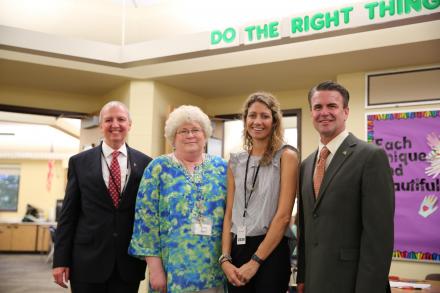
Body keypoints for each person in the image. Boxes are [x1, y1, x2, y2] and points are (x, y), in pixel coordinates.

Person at [297, 81, 395, 293]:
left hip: (352, 284)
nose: (324, 113)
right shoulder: (306, 165)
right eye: (317, 107)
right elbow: (305, 230)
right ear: (311, 112)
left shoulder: (370, 157)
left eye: (332, 106)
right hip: (314, 282)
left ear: (346, 111)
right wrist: (303, 277)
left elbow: (379, 238)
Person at [52, 101, 152, 293]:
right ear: (101, 126)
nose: (115, 124)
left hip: (128, 264)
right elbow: (68, 216)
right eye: (108, 120)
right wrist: (60, 260)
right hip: (86, 262)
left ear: (130, 124)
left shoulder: (146, 163)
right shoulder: (79, 162)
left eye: (121, 119)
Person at [129, 105, 227, 293]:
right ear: (173, 138)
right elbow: (146, 222)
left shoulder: (222, 167)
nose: (190, 135)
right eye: (183, 131)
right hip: (172, 271)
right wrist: (155, 270)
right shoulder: (158, 168)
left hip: (215, 270)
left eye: (196, 130)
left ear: (205, 135)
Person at [221, 92, 299, 293]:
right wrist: (225, 259)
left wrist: (255, 261)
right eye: (252, 115)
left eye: (264, 116)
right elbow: (229, 213)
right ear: (245, 119)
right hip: (238, 249)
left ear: (274, 121)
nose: (258, 121)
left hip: (270, 250)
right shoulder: (235, 160)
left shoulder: (286, 156)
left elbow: (282, 217)